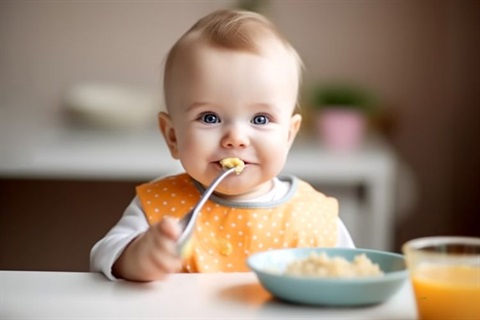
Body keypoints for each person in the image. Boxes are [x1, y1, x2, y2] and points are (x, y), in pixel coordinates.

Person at [90, 9, 355, 282]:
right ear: (173, 137)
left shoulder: (313, 216)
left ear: (288, 136)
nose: (235, 138)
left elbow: (351, 279)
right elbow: (103, 255)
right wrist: (138, 256)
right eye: (210, 117)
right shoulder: (159, 208)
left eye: (260, 118)